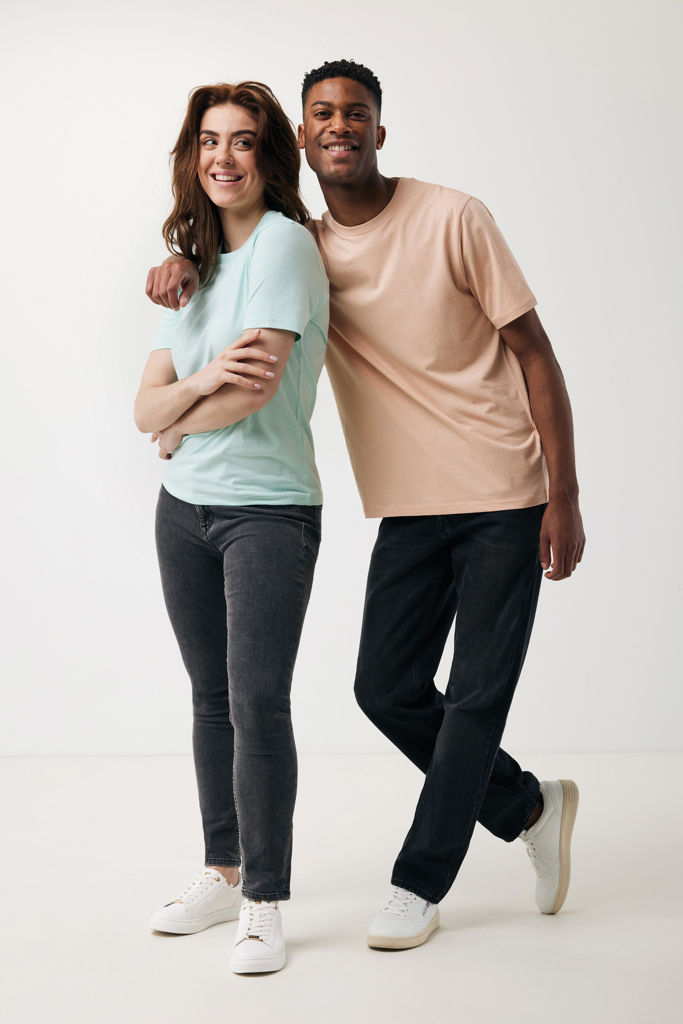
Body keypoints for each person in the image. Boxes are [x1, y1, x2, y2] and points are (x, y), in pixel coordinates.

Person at [146, 60, 585, 952]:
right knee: (383, 689)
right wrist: (182, 262)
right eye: (321, 114)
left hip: (504, 488)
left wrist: (563, 492)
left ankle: (418, 884)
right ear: (302, 140)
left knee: (474, 698)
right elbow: (242, 257)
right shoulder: (303, 245)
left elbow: (534, 351)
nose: (339, 125)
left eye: (355, 113)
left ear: (379, 131)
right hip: (410, 503)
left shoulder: (454, 217)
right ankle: (528, 807)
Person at [134, 81, 329, 974]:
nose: (223, 156)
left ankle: (265, 901)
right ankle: (223, 869)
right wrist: (191, 394)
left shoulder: (284, 244)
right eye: (209, 141)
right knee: (210, 699)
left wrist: (179, 417)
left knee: (256, 702)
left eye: (242, 141)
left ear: (267, 156)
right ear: (192, 156)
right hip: (183, 511)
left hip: (267, 508)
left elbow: (255, 388)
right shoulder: (196, 264)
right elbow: (144, 406)